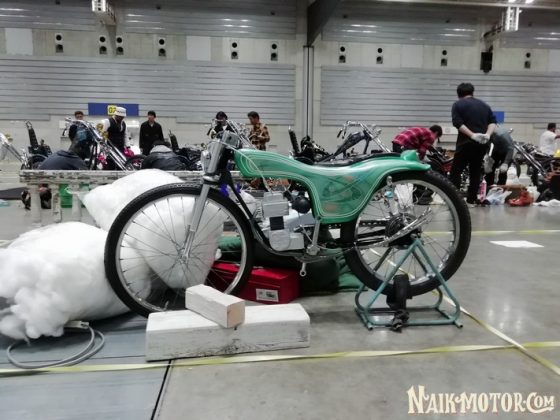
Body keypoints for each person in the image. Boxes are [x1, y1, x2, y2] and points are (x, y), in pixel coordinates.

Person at [21, 122, 92, 209]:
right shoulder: (76, 161)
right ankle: (40, 194)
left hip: (40, 179)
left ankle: (35, 193)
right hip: (48, 185)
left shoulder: (59, 154)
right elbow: (88, 178)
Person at [450, 83, 497, 206]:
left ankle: (455, 201)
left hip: (465, 143)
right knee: (475, 171)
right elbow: (493, 122)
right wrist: (487, 135)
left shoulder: (458, 104)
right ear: (472, 92)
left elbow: (457, 123)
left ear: (458, 94)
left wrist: (472, 135)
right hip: (482, 144)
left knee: (456, 171)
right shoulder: (484, 105)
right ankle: (471, 200)